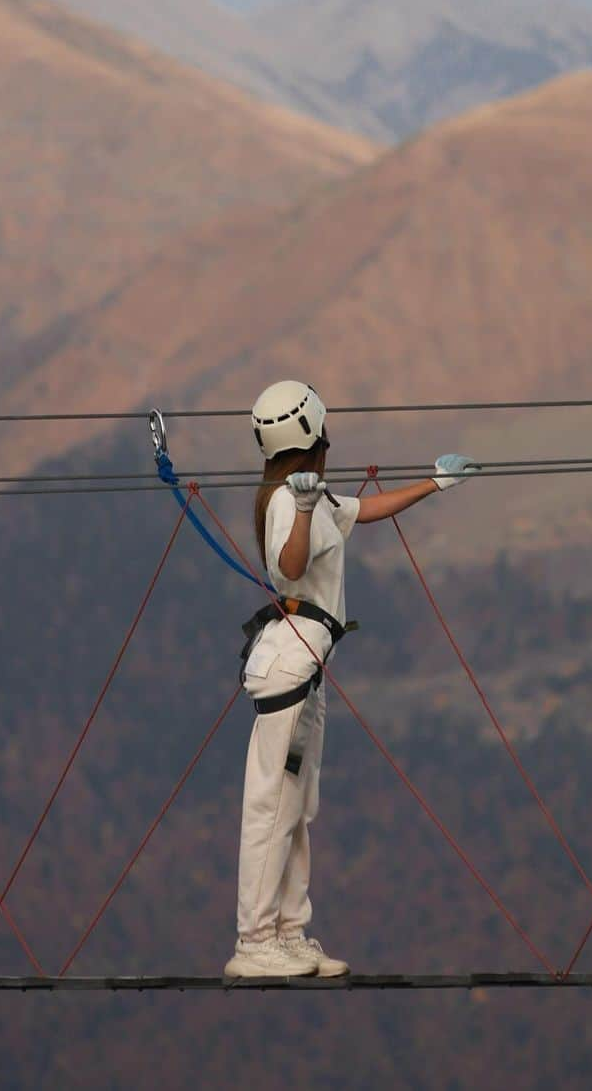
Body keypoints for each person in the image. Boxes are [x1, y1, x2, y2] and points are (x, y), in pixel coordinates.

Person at [224, 380, 477, 979]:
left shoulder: (308, 494)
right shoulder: (290, 501)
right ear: (310, 436)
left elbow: (366, 509)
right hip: (289, 667)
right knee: (272, 807)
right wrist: (307, 509)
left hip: (305, 671)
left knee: (298, 807)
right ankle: (254, 940)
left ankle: (288, 930)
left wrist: (433, 484)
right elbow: (288, 569)